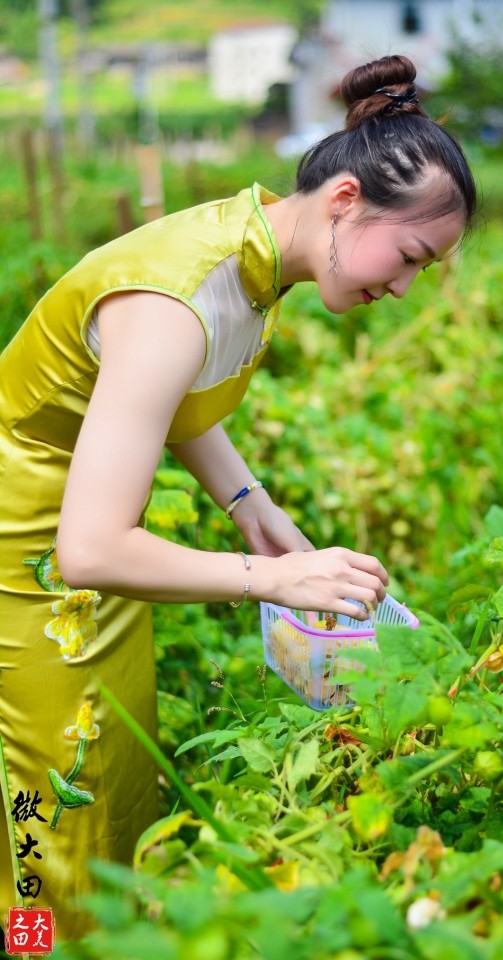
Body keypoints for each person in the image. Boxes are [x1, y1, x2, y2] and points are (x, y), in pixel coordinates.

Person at [0, 53, 476, 941]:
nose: (404, 287)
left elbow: (166, 400)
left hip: (92, 521)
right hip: (30, 550)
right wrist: (269, 576)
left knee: (113, 774)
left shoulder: (258, 256)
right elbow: (89, 550)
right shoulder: (178, 298)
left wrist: (246, 500)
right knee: (50, 804)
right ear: (344, 200)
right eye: (409, 255)